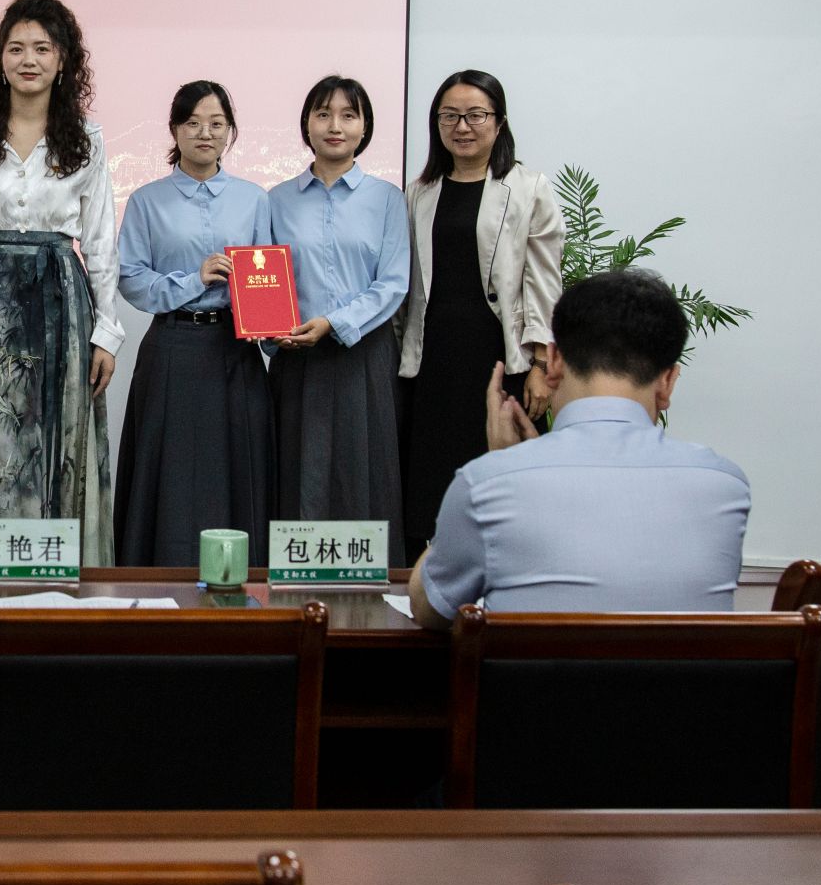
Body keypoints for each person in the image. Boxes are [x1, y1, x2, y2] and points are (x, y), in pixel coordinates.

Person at [407, 269, 750, 627]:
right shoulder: (726, 486)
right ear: (668, 382)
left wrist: (501, 466)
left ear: (553, 362)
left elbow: (429, 609)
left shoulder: (487, 483)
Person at [0, 0, 123, 566]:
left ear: (63, 60)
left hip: (62, 303)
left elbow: (100, 243)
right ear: (1, 59)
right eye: (16, 48)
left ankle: (57, 587)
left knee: (56, 449)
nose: (28, 59)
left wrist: (106, 333)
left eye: (42, 48)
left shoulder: (86, 139)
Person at [398, 68, 563, 564]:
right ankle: (427, 583)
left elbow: (544, 282)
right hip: (432, 359)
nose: (462, 127)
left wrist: (540, 364)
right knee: (430, 482)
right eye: (449, 116)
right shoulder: (419, 191)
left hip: (499, 358)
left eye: (475, 115)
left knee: (499, 480)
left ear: (499, 121)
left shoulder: (529, 188)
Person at [113, 79, 274, 566]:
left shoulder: (254, 199)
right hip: (173, 347)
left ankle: (237, 579)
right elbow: (131, 279)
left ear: (230, 131)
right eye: (193, 123)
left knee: (237, 468)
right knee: (171, 472)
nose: (205, 133)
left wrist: (272, 325)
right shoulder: (146, 200)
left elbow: (268, 278)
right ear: (174, 129)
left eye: (217, 124)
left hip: (235, 351)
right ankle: (160, 577)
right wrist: (192, 280)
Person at [266, 76, 410, 563]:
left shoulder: (387, 198)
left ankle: (366, 591)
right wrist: (272, 332)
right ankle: (294, 585)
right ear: (306, 123)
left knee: (364, 477)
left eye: (349, 115)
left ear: (364, 127)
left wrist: (334, 323)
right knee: (297, 476)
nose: (335, 126)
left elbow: (393, 283)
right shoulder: (276, 200)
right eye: (323, 114)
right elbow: (263, 281)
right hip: (296, 360)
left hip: (364, 358)